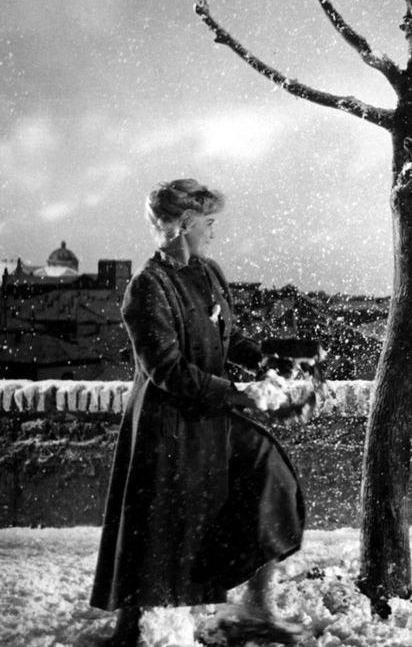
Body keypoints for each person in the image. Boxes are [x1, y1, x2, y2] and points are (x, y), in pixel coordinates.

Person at [91, 179, 305, 646]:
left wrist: (267, 361)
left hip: (210, 412)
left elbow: (228, 339)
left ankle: (256, 603)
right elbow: (168, 371)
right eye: (208, 223)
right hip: (167, 424)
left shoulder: (209, 273)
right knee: (159, 526)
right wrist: (243, 394)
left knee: (272, 474)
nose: (214, 233)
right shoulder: (146, 288)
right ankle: (135, 626)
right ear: (184, 225)